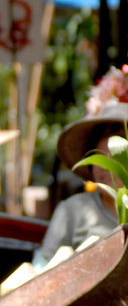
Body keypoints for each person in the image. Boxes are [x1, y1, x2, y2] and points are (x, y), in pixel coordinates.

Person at [34, 100, 128, 267]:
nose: (103, 167)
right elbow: (41, 269)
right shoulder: (72, 210)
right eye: (99, 157)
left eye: (114, 158)